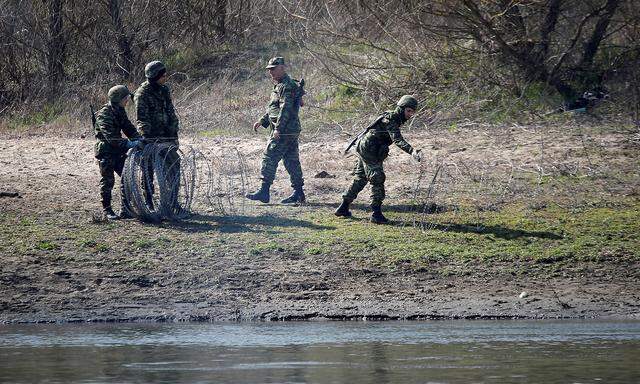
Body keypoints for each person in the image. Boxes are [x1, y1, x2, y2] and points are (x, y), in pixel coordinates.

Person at [335, 95, 423, 224]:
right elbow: (397, 139)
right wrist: (412, 151)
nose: (410, 114)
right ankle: (376, 213)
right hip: (369, 149)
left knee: (361, 178)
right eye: (408, 111)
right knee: (377, 177)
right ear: (401, 108)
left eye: (412, 112)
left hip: (368, 147)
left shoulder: (394, 118)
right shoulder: (392, 119)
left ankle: (343, 207)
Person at [246, 57, 306, 204]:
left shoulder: (287, 85)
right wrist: (262, 121)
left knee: (270, 157)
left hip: (285, 130)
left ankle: (264, 192)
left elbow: (285, 109)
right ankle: (299, 193)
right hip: (290, 129)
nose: (271, 72)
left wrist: (278, 129)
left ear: (282, 68)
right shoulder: (281, 85)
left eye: (273, 68)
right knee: (291, 161)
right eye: (269, 69)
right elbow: (275, 108)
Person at [134, 60, 181, 210]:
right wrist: (148, 139)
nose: (165, 78)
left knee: (174, 166)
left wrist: (173, 134)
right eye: (163, 75)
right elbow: (142, 119)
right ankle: (149, 202)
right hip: (151, 139)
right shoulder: (142, 94)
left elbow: (171, 113)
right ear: (155, 76)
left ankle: (173, 202)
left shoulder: (164, 90)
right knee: (148, 171)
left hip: (167, 138)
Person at [94, 85, 142, 220]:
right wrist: (129, 144)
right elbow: (111, 138)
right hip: (106, 151)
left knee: (127, 177)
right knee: (108, 181)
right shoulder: (104, 114)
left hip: (118, 151)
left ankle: (125, 209)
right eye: (125, 98)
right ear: (119, 99)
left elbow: (128, 127)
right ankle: (107, 210)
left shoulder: (119, 110)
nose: (128, 100)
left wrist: (139, 139)